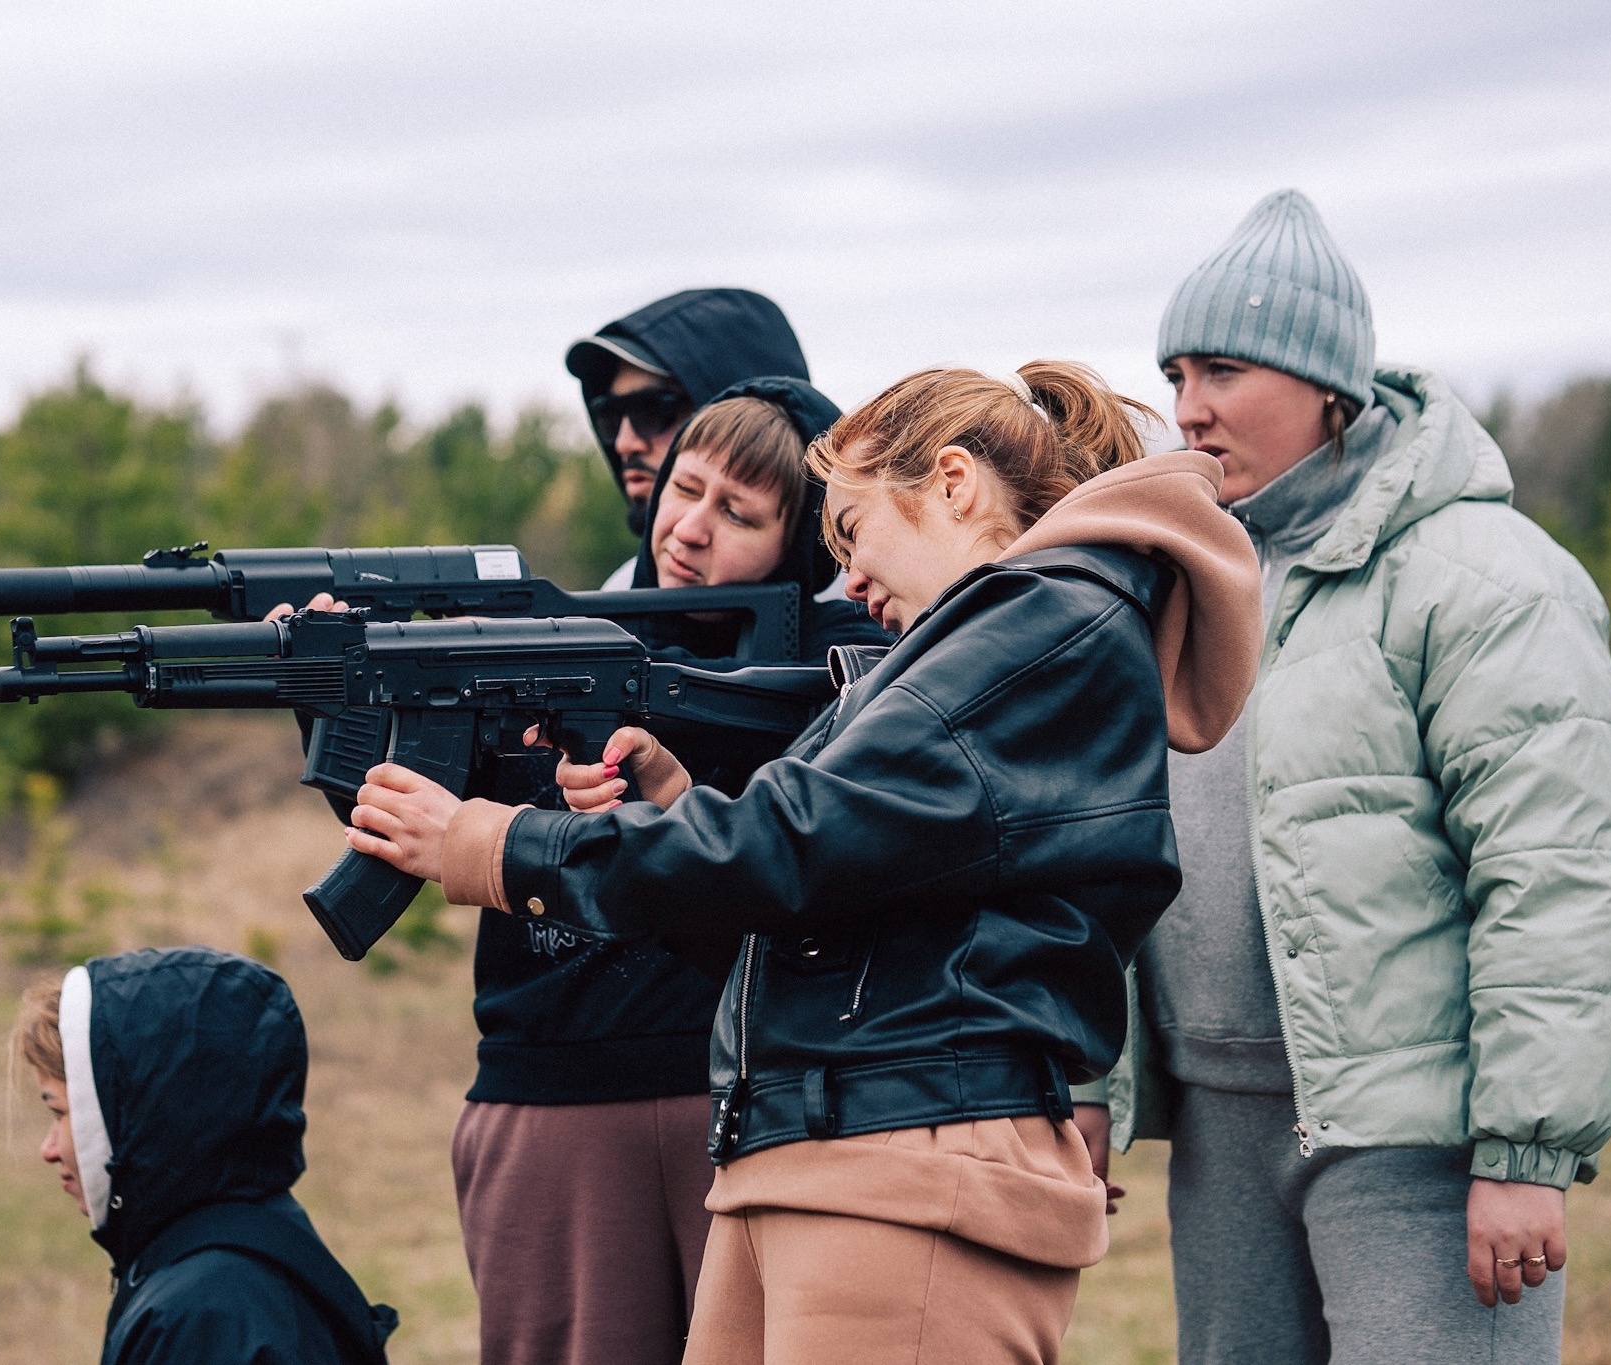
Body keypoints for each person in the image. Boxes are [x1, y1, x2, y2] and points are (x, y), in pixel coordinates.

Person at [341, 362, 1265, 1362]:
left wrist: (495, 843)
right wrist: (675, 809)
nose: (849, 581)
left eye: (854, 532)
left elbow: (797, 836)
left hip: (907, 1164)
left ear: (952, 483)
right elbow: (833, 898)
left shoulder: (1037, 623)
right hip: (835, 1152)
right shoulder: (997, 642)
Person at [1087, 188, 1611, 1365]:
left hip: (1414, 1143)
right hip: (1223, 1131)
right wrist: (1096, 1074)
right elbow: (1100, 838)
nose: (1185, 408)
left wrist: (1522, 1155)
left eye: (1221, 371)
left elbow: (1553, 877)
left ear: (1324, 381)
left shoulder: (1484, 578)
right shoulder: (1169, 577)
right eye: (1174, 373)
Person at [455, 378, 890, 1365]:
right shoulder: (558, 638)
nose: (687, 529)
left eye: (737, 513)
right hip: (554, 1088)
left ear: (800, 546)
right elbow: (401, 817)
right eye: (682, 491)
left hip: (734, 1098)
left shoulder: (832, 680)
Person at [16, 946, 398, 1365]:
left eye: (60, 1112)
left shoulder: (201, 1320)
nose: (48, 1150)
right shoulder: (250, 1237)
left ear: (146, 1115)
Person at [565, 288, 810, 588]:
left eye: (652, 411)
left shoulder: (864, 605)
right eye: (610, 416)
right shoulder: (622, 590)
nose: (624, 443)